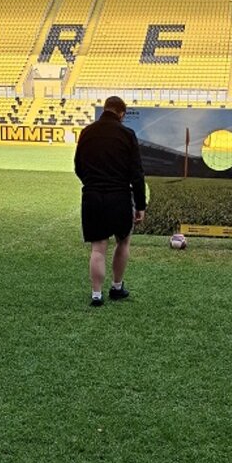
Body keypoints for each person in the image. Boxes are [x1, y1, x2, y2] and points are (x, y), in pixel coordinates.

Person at [74, 95, 146, 307]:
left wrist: (92, 183)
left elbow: (78, 166)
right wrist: (141, 205)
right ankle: (116, 287)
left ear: (105, 109)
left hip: (92, 196)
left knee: (98, 249)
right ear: (121, 113)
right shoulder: (127, 134)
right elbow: (137, 173)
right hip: (119, 197)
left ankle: (96, 295)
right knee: (123, 241)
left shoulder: (86, 132)